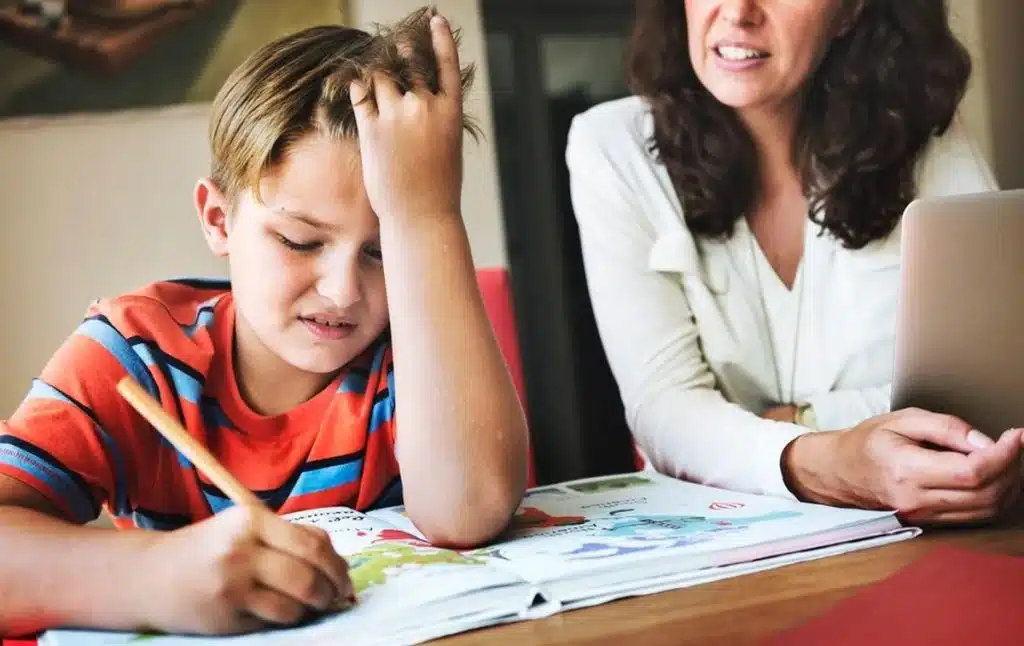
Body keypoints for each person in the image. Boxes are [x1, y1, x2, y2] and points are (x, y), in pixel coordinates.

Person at [0, 7, 529, 637]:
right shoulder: (135, 355)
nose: (341, 292)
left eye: (384, 251)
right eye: (301, 242)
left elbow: (468, 512)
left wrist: (428, 217)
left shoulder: (414, 352)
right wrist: (154, 575)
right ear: (219, 220)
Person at [566, 0, 1022, 526]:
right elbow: (665, 410)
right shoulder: (611, 147)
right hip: (720, 545)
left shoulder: (921, 132)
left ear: (850, 12)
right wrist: (836, 460)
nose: (737, 12)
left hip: (913, 537)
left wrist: (802, 421)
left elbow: (987, 386)